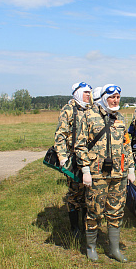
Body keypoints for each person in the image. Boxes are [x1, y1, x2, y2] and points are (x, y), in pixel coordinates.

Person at [75, 84, 135, 262]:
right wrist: (85, 169)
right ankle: (91, 247)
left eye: (118, 97)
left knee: (116, 210)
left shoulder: (121, 118)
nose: (116, 100)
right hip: (96, 174)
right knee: (94, 210)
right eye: (112, 97)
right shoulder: (88, 116)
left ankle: (114, 249)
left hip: (119, 174)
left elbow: (126, 145)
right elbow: (80, 146)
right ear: (103, 98)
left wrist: (130, 168)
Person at [54, 82, 92, 237]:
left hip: (89, 158)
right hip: (73, 158)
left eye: (90, 93)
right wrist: (62, 158)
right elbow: (60, 135)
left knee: (88, 192)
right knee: (75, 193)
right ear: (77, 93)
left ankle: (86, 224)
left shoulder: (91, 109)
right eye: (86, 93)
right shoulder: (68, 110)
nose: (89, 95)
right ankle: (75, 228)